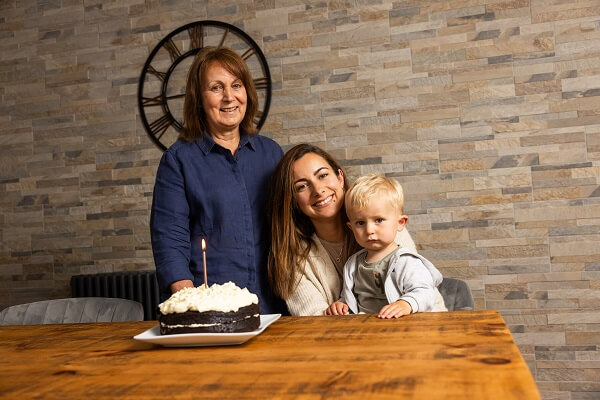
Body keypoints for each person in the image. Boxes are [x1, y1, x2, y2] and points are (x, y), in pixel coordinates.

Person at [151, 46, 286, 314]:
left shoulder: (271, 153)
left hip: (275, 303)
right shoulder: (178, 160)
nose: (229, 97)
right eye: (216, 88)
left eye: (236, 85)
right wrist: (191, 306)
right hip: (212, 307)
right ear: (198, 98)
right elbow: (170, 239)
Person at [267, 144, 417, 316]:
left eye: (323, 175)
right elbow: (314, 322)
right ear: (293, 200)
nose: (318, 190)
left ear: (340, 177)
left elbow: (422, 293)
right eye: (302, 186)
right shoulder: (291, 257)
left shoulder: (384, 225)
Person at [325, 174, 447, 318]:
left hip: (402, 326)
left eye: (378, 220)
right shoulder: (353, 264)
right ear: (351, 228)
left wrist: (406, 304)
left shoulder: (406, 261)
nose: (369, 230)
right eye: (360, 223)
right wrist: (341, 305)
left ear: (400, 223)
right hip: (366, 330)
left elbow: (424, 292)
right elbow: (350, 298)